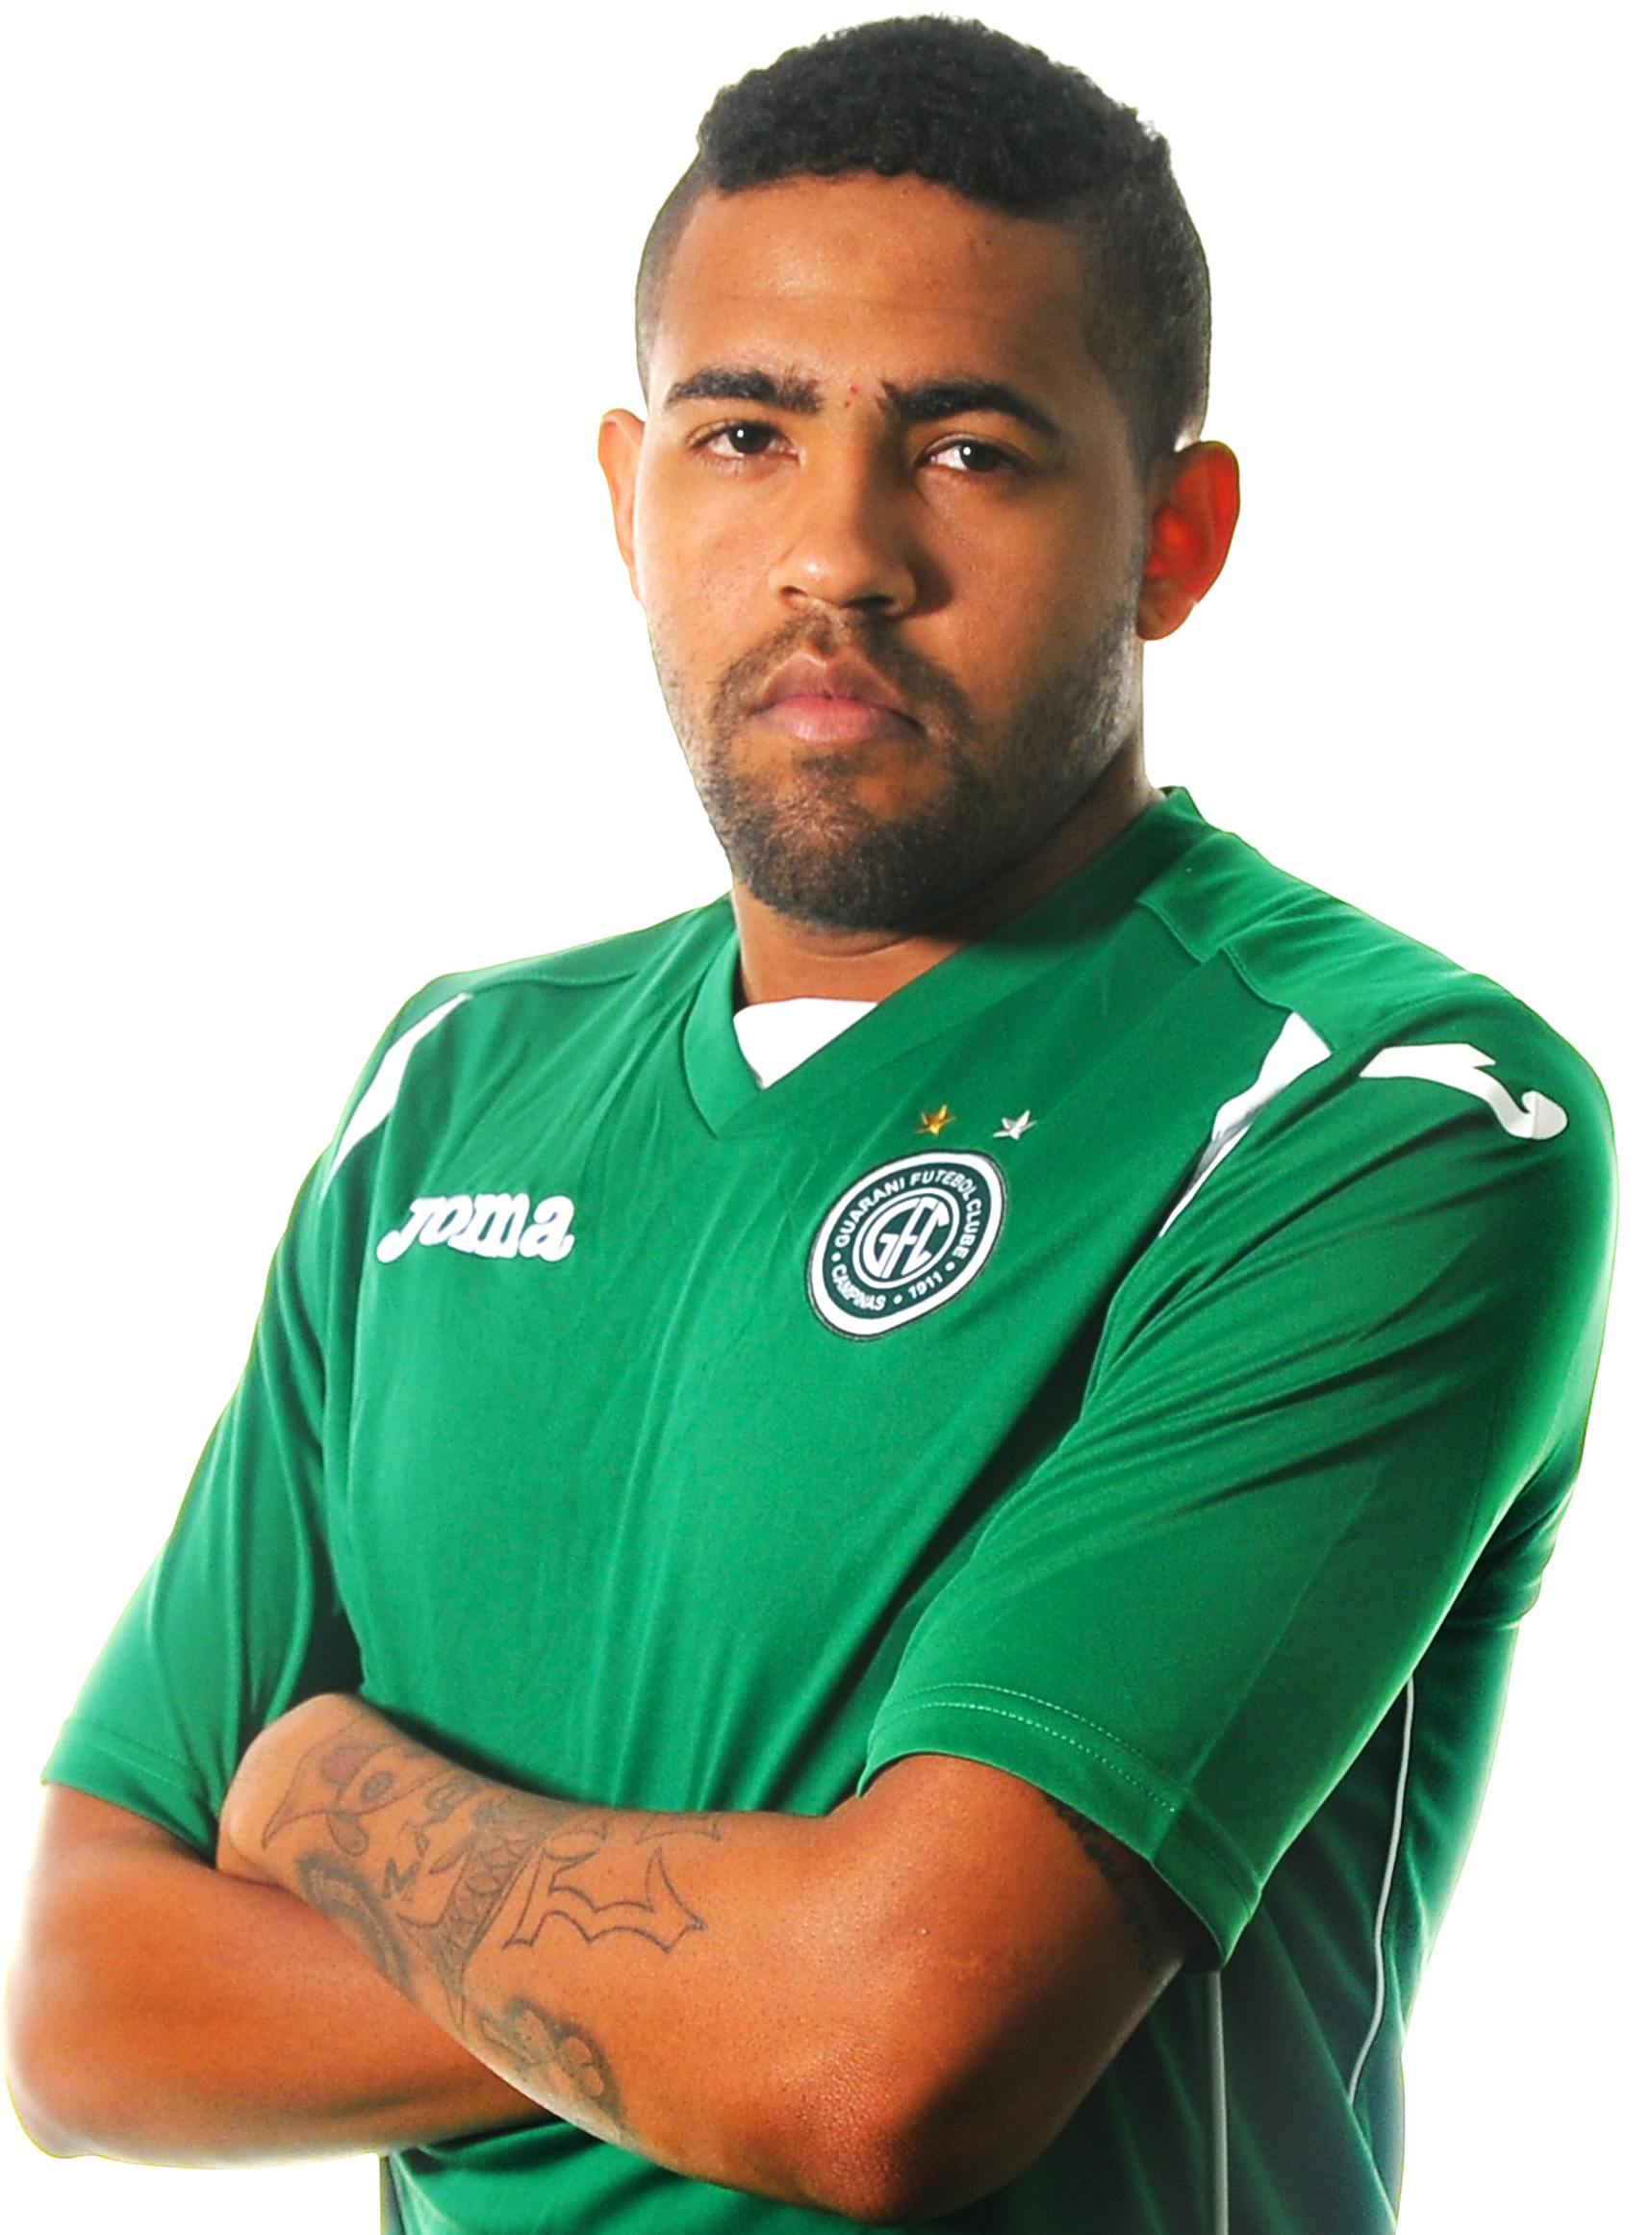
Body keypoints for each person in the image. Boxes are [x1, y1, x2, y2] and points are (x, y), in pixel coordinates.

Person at [2, 16, 1615, 2235]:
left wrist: (334, 1794)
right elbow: (82, 2011)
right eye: (744, 432)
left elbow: (881, 2064)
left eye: (965, 449)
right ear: (626, 495)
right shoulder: (446, 1090)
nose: (835, 551)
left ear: (1176, 534)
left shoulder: (1375, 1112)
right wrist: (735, 1991)